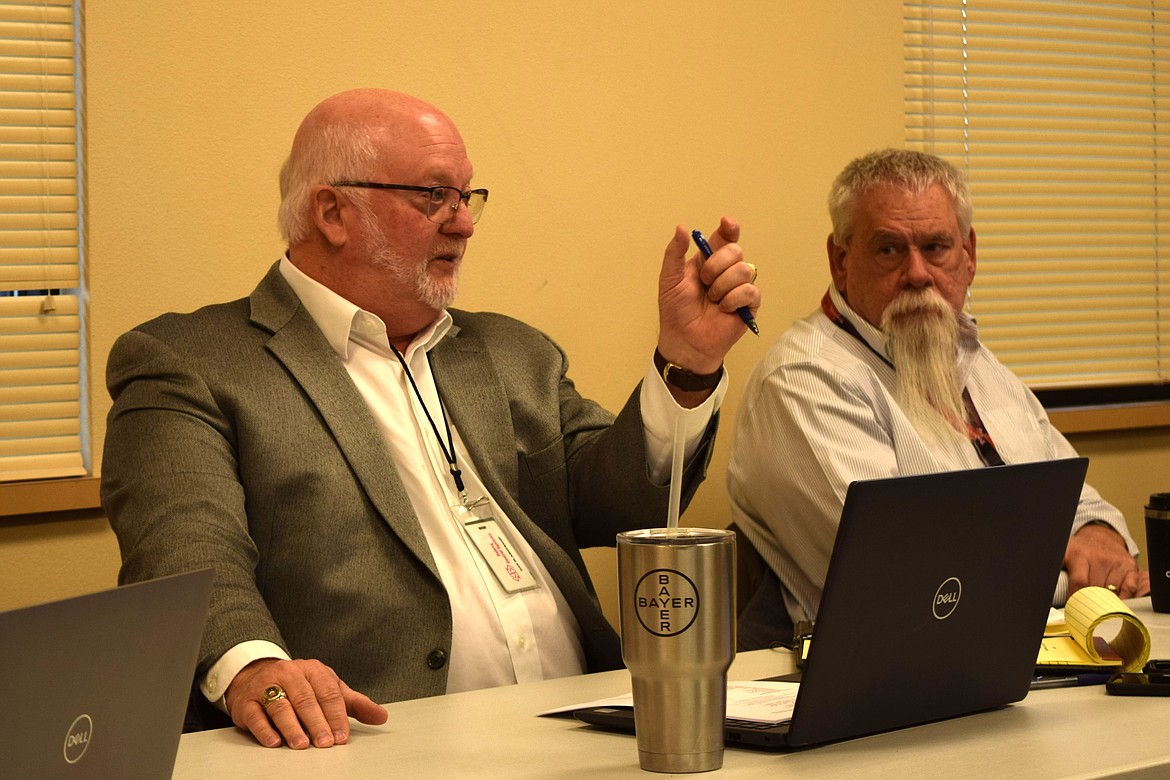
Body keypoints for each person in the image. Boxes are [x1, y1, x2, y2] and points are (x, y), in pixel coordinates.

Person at [101, 88, 760, 749]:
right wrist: (255, 668)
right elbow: (185, 549)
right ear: (333, 211)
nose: (464, 224)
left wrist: (688, 366)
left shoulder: (512, 351)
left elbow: (616, 505)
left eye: (467, 198)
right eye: (433, 197)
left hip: (591, 723)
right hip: (379, 741)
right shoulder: (192, 362)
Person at [727, 147, 1148, 650]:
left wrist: (1100, 538)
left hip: (1032, 658)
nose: (918, 274)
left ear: (968, 255)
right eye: (888, 249)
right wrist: (1084, 585)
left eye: (936, 247)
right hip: (896, 683)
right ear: (841, 261)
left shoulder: (973, 359)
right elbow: (915, 579)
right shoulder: (804, 381)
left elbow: (1075, 499)